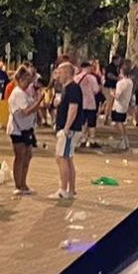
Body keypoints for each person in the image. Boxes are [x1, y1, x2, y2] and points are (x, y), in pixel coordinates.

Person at [7, 66, 39, 196]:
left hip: (27, 128)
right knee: (20, 157)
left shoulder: (24, 92)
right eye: (28, 80)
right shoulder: (18, 93)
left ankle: (23, 184)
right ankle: (18, 185)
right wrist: (38, 103)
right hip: (18, 129)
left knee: (27, 156)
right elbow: (26, 111)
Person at [52, 62, 82, 200]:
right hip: (68, 128)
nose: (57, 75)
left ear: (67, 73)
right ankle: (71, 189)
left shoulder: (73, 88)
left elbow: (73, 108)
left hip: (69, 129)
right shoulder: (67, 88)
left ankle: (63, 189)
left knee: (62, 157)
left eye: (59, 72)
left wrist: (66, 128)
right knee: (67, 158)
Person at [109, 61, 136, 150]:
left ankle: (122, 139)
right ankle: (125, 139)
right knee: (122, 122)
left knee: (117, 123)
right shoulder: (130, 82)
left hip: (118, 105)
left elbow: (117, 96)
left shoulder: (120, 83)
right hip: (125, 104)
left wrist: (112, 93)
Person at [75, 60, 102, 149]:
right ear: (87, 67)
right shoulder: (92, 78)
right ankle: (91, 140)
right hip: (90, 103)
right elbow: (96, 90)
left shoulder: (76, 78)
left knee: (82, 122)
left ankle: (82, 139)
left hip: (80, 103)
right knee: (91, 122)